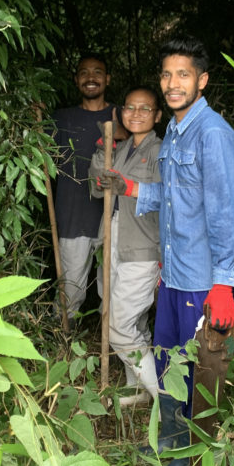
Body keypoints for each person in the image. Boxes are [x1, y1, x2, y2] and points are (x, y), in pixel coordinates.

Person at [99, 37, 234, 466]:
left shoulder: (213, 134)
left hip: (205, 281)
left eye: (183, 74)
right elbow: (175, 197)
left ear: (202, 80)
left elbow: (226, 210)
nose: (172, 83)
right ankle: (168, 439)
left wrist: (223, 284)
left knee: (200, 371)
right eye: (166, 74)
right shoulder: (178, 134)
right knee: (167, 361)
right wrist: (132, 190)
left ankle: (192, 459)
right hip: (176, 273)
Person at [89, 86, 162, 403]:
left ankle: (163, 396)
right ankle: (138, 388)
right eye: (129, 107)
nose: (135, 113)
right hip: (112, 240)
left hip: (142, 246)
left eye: (144, 108)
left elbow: (169, 200)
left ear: (157, 115)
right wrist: (102, 149)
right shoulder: (120, 149)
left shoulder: (162, 151)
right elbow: (96, 189)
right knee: (131, 320)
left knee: (117, 325)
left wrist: (130, 186)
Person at [52, 54, 119, 319]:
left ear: (108, 79)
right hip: (71, 218)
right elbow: (39, 158)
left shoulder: (122, 116)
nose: (91, 78)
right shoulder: (60, 119)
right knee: (70, 292)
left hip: (112, 219)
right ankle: (61, 345)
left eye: (98, 72)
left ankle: (115, 349)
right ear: (76, 79)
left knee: (113, 293)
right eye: (84, 73)